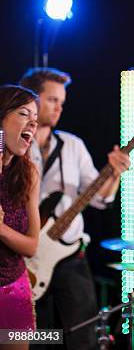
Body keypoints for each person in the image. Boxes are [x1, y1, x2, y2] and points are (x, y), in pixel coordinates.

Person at [19, 68, 131, 350]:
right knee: (35, 335)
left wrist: (114, 174)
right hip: (26, 253)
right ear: (31, 101)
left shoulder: (73, 145)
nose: (59, 107)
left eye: (62, 102)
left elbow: (99, 198)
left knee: (83, 333)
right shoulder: (12, 144)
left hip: (69, 252)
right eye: (52, 100)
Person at [0, 85, 40, 349]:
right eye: (24, 114)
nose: (32, 124)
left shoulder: (29, 174)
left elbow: (31, 245)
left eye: (35, 120)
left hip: (13, 290)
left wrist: (1, 229)